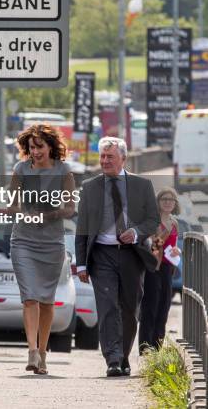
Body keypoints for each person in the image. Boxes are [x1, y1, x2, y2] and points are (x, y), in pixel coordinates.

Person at [75, 137, 159, 377]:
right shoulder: (90, 187)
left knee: (129, 309)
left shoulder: (142, 185)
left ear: (123, 158)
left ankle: (123, 356)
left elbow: (152, 220)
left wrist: (135, 233)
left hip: (132, 255)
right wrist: (81, 264)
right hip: (102, 255)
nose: (104, 161)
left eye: (109, 156)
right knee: (107, 305)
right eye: (102, 156)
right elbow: (82, 228)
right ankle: (112, 359)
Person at [8, 124, 76, 375]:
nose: (35, 151)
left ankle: (44, 353)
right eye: (31, 147)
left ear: (51, 146)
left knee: (47, 301)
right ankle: (32, 351)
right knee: (29, 297)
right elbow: (13, 204)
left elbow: (70, 208)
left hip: (51, 243)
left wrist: (50, 213)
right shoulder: (20, 169)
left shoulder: (63, 171)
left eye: (40, 146)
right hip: (23, 240)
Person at [139, 187, 181, 353]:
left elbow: (172, 246)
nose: (168, 202)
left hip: (167, 267)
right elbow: (152, 245)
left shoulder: (175, 222)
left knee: (164, 306)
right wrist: (163, 234)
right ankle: (146, 347)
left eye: (171, 200)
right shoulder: (153, 221)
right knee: (150, 306)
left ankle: (157, 348)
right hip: (152, 267)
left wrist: (177, 251)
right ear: (158, 202)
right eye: (164, 199)